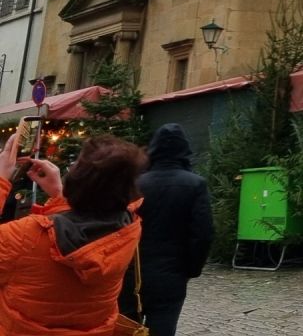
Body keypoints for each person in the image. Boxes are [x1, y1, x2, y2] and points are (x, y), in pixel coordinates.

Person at [0, 131, 146, 335]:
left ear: (76, 179)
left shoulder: (25, 235)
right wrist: (59, 195)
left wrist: (1, 178)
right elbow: (84, 221)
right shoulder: (128, 228)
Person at [118, 123, 212, 336]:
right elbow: (203, 234)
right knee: (163, 327)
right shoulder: (196, 184)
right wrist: (191, 269)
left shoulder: (135, 184)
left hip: (133, 271)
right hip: (171, 274)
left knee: (126, 328)